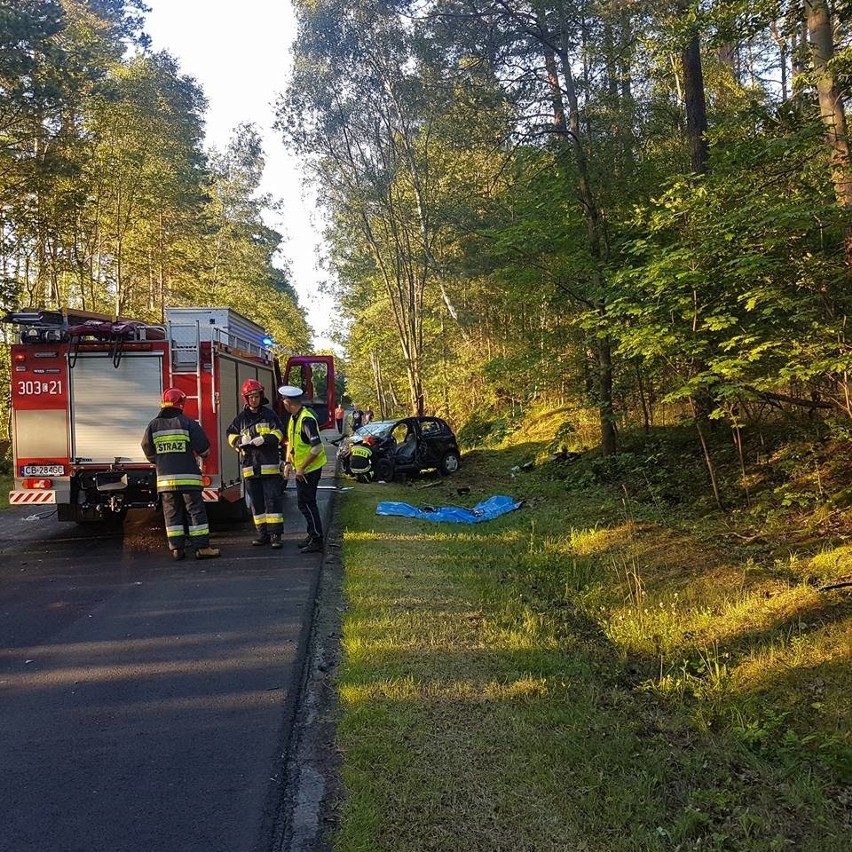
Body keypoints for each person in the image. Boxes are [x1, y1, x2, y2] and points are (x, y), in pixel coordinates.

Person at [141, 388, 220, 561]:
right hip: (189, 480)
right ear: (181, 404)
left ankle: (177, 548)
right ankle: (202, 548)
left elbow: (147, 450)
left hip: (165, 481)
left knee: (171, 512)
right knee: (195, 511)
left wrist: (161, 460)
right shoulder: (188, 423)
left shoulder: (152, 426)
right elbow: (204, 450)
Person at [226, 379, 286, 548]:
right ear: (246, 398)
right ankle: (262, 535)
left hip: (269, 467)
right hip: (250, 468)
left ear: (261, 396)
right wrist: (239, 440)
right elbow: (230, 434)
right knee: (256, 503)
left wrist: (265, 439)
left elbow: (280, 432)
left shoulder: (269, 415)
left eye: (256, 396)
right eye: (250, 397)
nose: (254, 399)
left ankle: (276, 536)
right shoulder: (241, 419)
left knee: (272, 501)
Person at [279, 384, 327, 553]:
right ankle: (312, 533)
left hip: (309, 470)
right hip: (302, 469)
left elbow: (317, 448)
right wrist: (287, 464)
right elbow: (291, 444)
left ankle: (317, 538)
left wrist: (301, 468)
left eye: (284, 400)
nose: (283, 403)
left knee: (307, 504)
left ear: (288, 403)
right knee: (305, 503)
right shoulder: (294, 418)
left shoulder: (306, 419)